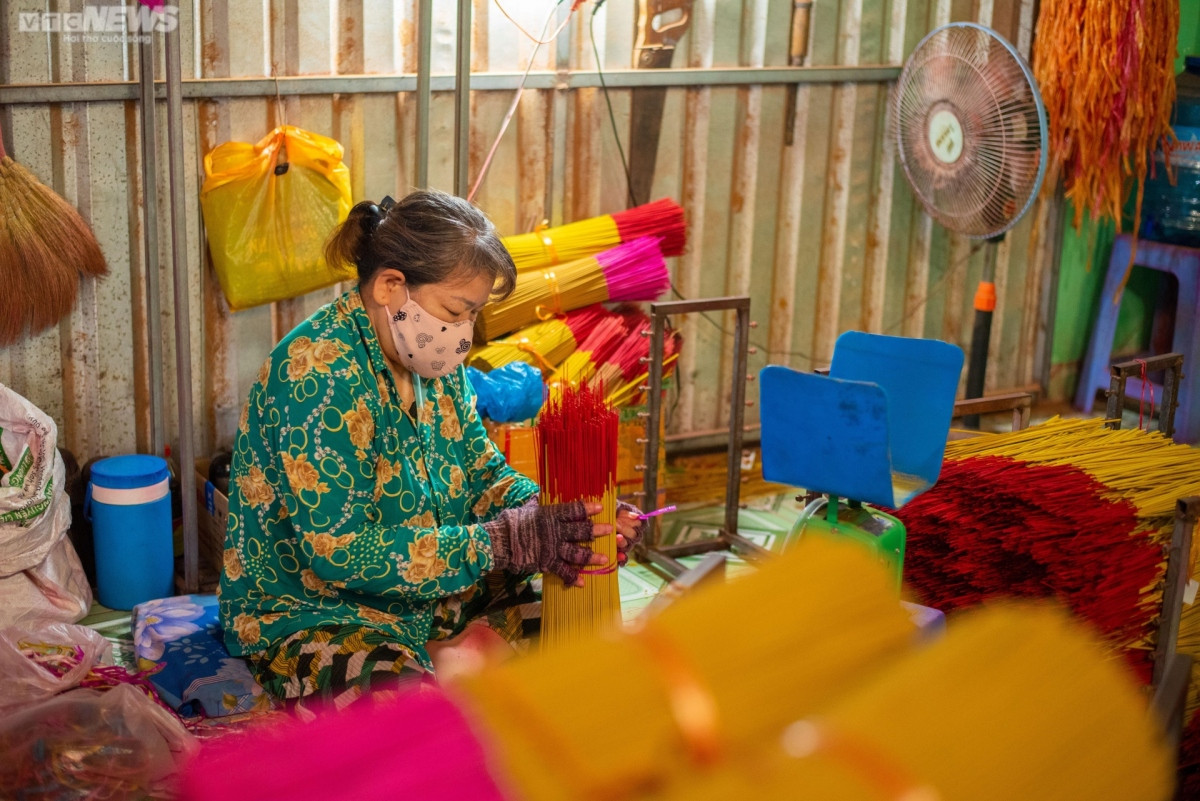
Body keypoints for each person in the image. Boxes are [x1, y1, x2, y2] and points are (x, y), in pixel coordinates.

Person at [219, 190, 644, 712]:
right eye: (455, 311)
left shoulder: (436, 366)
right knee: (413, 719)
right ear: (390, 287)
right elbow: (338, 551)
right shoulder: (316, 374)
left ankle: (448, 649)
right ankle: (445, 658)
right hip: (324, 613)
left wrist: (564, 518)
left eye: (472, 316)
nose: (463, 336)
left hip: (438, 600)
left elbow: (483, 472)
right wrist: (500, 544)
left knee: (587, 648)